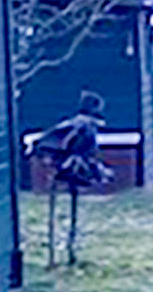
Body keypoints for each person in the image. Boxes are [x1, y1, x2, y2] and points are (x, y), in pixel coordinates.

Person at [32, 91, 113, 266]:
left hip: (63, 164)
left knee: (59, 210)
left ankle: (60, 251)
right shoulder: (87, 127)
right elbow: (84, 149)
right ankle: (68, 249)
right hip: (72, 166)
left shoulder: (71, 123)